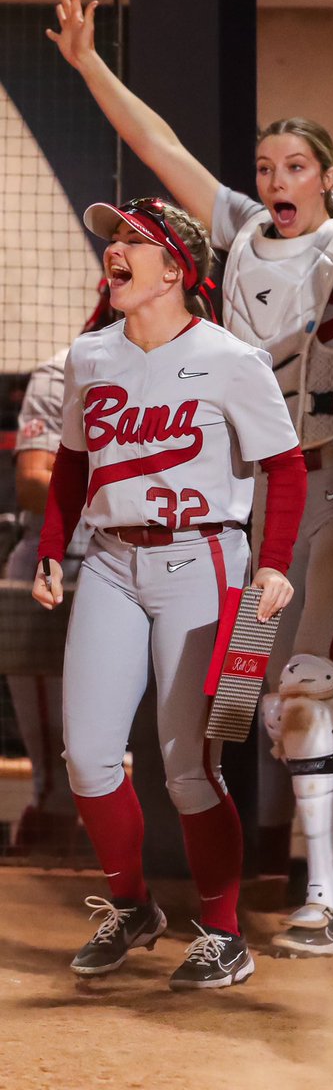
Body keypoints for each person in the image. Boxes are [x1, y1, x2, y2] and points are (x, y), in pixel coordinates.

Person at [46, 0, 333, 954]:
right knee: (280, 705)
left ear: (320, 179)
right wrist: (86, 65)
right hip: (251, 507)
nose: (275, 179)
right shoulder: (241, 235)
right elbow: (159, 146)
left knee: (306, 686)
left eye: (293, 165)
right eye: (264, 165)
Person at [32, 198, 306, 989]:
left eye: (132, 240)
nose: (113, 249)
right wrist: (56, 547)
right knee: (87, 758)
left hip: (206, 563)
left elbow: (283, 469)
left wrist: (275, 561)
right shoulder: (92, 355)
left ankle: (223, 934)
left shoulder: (230, 359)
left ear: (175, 269)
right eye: (112, 239)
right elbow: (74, 465)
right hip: (112, 563)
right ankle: (132, 907)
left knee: (190, 764)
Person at [4, 285, 116, 858]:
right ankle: (52, 847)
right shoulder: (62, 369)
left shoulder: (192, 369)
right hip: (56, 562)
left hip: (136, 563)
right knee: (53, 757)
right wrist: (123, 495)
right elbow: (29, 480)